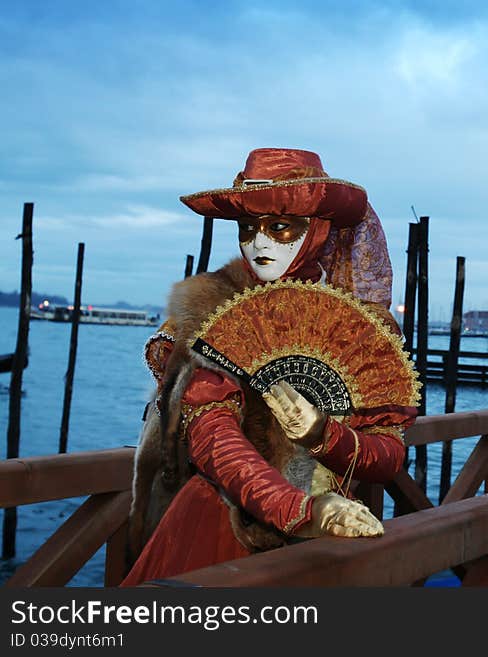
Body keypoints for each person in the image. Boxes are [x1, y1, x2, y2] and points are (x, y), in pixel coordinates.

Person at [122, 148, 417, 586]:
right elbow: (211, 433)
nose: (259, 244)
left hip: (330, 542)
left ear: (317, 230)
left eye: (279, 228)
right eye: (248, 228)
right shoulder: (216, 311)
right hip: (221, 535)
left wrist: (322, 436)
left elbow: (387, 455)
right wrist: (301, 511)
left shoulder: (358, 329)